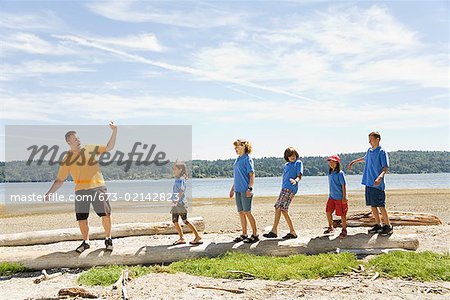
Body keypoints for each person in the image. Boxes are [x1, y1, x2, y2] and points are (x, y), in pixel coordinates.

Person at [44, 122, 117, 253]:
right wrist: (50, 192)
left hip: (98, 187)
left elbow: (108, 147)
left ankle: (108, 239)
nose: (78, 141)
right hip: (80, 190)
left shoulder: (91, 149)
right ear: (69, 143)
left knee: (105, 214)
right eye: (74, 140)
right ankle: (86, 242)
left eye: (78, 138)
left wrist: (114, 131)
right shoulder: (67, 158)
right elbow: (60, 179)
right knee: (82, 218)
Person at [348, 131, 393, 236]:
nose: (369, 142)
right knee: (373, 206)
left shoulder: (382, 152)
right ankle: (378, 225)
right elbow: (365, 158)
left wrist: (380, 177)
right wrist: (354, 161)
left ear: (377, 139)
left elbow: (385, 167)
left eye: (371, 140)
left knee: (381, 206)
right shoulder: (369, 151)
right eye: (369, 140)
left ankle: (388, 226)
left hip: (377, 184)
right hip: (368, 182)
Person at [263, 147, 302, 239]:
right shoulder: (286, 165)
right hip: (284, 189)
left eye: (293, 155)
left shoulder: (298, 163)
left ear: (296, 155)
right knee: (283, 210)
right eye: (290, 156)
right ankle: (292, 232)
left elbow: (299, 175)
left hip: (290, 189)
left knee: (277, 207)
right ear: (287, 157)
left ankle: (274, 230)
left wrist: (296, 181)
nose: (292, 157)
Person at [229, 139, 258, 243]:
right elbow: (237, 176)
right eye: (235, 147)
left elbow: (252, 174)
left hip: (246, 190)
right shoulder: (237, 160)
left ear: (244, 147)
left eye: (238, 146)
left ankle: (255, 234)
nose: (236, 149)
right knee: (241, 212)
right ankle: (244, 234)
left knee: (247, 212)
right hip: (237, 190)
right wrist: (232, 189)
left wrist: (250, 188)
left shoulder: (247, 159)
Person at [170, 162, 202, 245]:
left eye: (175, 169)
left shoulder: (181, 179)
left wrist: (176, 200)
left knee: (185, 221)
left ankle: (197, 236)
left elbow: (181, 190)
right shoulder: (177, 179)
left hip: (180, 204)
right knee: (174, 221)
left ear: (180, 170)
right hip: (176, 203)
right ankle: (182, 238)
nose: (174, 170)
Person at [323, 155, 348, 239]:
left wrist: (344, 197)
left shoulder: (340, 173)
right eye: (330, 161)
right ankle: (331, 227)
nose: (331, 163)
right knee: (328, 211)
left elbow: (343, 185)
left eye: (333, 161)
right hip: (331, 197)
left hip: (340, 197)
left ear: (337, 163)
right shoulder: (330, 173)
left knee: (342, 214)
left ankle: (344, 229)